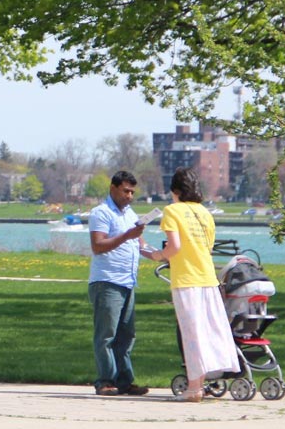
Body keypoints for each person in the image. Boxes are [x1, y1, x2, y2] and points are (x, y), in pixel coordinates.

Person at [151, 167, 241, 402]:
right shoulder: (205, 213)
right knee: (206, 332)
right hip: (208, 278)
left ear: (175, 190)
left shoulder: (172, 211)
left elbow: (174, 247)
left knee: (191, 334)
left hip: (186, 279)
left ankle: (194, 389)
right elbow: (207, 248)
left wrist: (157, 255)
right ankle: (198, 385)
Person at [86, 170, 150, 396]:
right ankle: (105, 381)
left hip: (127, 282)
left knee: (126, 335)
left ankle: (124, 381)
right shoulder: (101, 212)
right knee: (106, 335)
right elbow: (98, 246)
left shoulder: (130, 213)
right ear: (113, 188)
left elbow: (140, 244)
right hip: (107, 281)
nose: (129, 196)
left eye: (132, 192)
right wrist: (126, 236)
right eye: (125, 191)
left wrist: (162, 256)